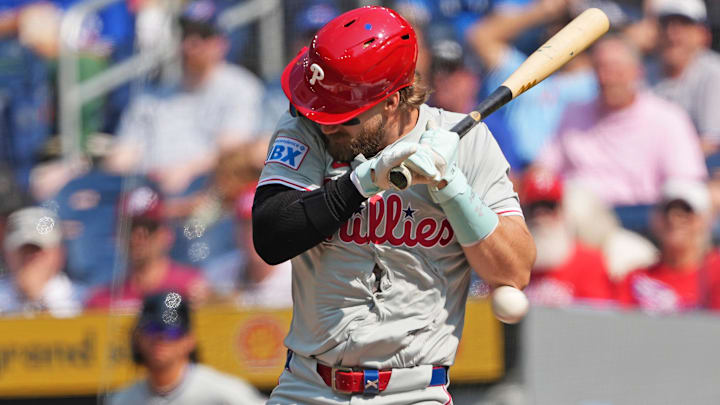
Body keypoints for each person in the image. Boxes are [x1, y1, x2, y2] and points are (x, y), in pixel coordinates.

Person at [252, 6, 535, 403]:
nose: (327, 124)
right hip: (308, 387)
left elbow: (514, 270)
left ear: (392, 101)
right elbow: (272, 236)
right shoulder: (307, 129)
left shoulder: (467, 144)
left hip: (415, 390)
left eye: (345, 116)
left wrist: (451, 188)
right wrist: (364, 181)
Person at [105, 0, 264, 195]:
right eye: (187, 34)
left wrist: (186, 170)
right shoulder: (152, 96)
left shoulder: (240, 86)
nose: (192, 44)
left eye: (202, 35)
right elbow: (122, 157)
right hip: (145, 187)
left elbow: (232, 152)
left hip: (205, 187)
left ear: (221, 43)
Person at [534, 34, 707, 207]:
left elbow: (685, 184)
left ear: (637, 72)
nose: (607, 78)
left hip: (641, 218)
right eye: (600, 69)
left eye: (616, 70)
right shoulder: (572, 114)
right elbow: (544, 170)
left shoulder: (668, 119)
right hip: (575, 218)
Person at [467, 0, 598, 169]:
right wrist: (540, 12)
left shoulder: (593, 80)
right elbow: (480, 36)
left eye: (570, 25)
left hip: (567, 175)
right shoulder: (521, 69)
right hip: (516, 172)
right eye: (556, 26)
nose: (563, 34)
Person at [108, 291, 266, 405]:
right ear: (138, 338)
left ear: (189, 340)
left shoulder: (221, 391)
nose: (160, 338)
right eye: (152, 329)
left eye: (171, 331)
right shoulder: (123, 400)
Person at [85, 186, 209, 311]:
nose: (138, 237)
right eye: (130, 227)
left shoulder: (191, 289)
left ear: (166, 234)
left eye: (149, 228)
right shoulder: (103, 301)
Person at [616, 179, 720, 313]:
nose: (674, 218)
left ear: (704, 220)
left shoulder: (715, 272)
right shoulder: (636, 279)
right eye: (668, 210)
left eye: (687, 211)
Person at [521, 171, 614, 307]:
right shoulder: (509, 264)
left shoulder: (590, 262)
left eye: (549, 206)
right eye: (534, 208)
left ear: (562, 211)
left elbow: (597, 318)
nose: (540, 216)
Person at [651, 0, 720, 156]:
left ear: (703, 34)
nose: (672, 33)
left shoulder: (714, 74)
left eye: (684, 24)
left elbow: (711, 144)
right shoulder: (641, 72)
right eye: (665, 24)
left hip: (696, 170)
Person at [0, 206, 81, 317]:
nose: (30, 257)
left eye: (38, 249)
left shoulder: (82, 300)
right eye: (23, 249)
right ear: (7, 253)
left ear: (58, 253)